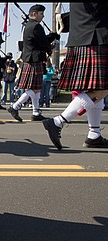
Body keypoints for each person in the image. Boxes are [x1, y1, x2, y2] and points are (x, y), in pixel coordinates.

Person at [42, 2, 108, 149]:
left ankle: (94, 134)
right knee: (101, 89)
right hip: (96, 37)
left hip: (84, 37)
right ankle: (58, 121)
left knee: (97, 90)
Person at [7, 4, 59, 122]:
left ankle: (36, 112)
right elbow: (43, 43)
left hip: (31, 59)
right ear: (34, 13)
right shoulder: (36, 26)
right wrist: (51, 37)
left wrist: (49, 41)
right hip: (34, 59)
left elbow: (40, 43)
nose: (43, 16)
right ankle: (15, 106)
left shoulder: (29, 25)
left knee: (36, 89)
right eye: (41, 13)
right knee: (35, 88)